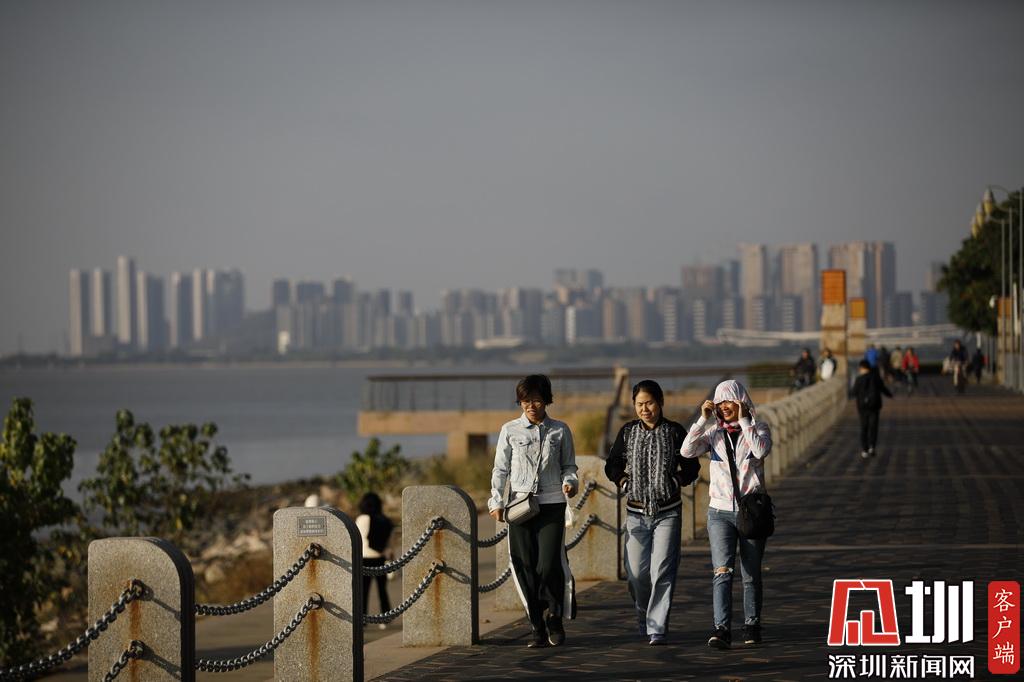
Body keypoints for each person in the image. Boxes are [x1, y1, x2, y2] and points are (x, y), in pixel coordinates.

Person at [604, 380, 698, 646]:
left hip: (668, 513)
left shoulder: (675, 431)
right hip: (636, 514)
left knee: (662, 571)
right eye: (639, 404)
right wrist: (624, 481)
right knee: (636, 574)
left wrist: (676, 481)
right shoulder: (627, 432)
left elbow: (692, 466)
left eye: (649, 403)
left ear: (660, 403)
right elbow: (612, 464)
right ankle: (643, 613)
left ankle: (656, 626)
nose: (645, 409)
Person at [680, 379, 772, 650]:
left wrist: (745, 421)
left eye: (729, 401)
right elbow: (686, 451)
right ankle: (721, 629)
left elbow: (761, 450)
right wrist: (702, 419)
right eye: (720, 403)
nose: (724, 407)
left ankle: (752, 624)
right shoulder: (713, 434)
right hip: (719, 512)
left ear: (741, 401)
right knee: (722, 571)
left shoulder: (759, 429)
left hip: (751, 511)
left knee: (751, 573)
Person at [488, 374, 578, 648]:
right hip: (519, 506)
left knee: (548, 564)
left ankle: (555, 616)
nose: (531, 405)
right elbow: (500, 469)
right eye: (525, 400)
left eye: (536, 400)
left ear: (546, 400)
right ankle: (536, 623)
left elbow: (569, 466)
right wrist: (496, 502)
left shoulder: (560, 430)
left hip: (552, 504)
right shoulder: (509, 430)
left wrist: (570, 483)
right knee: (524, 565)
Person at [356, 492, 394, 627]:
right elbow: (389, 541)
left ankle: (362, 619)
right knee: (382, 591)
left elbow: (357, 539)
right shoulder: (384, 520)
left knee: (363, 592)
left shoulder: (362, 519)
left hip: (364, 559)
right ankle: (385, 618)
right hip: (380, 558)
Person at [850, 359, 893, 458]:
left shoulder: (859, 379)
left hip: (862, 407)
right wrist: (890, 395)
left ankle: (864, 450)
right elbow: (883, 388)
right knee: (873, 427)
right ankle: (872, 447)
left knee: (864, 427)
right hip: (874, 406)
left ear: (862, 368)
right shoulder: (876, 378)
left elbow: (853, 392)